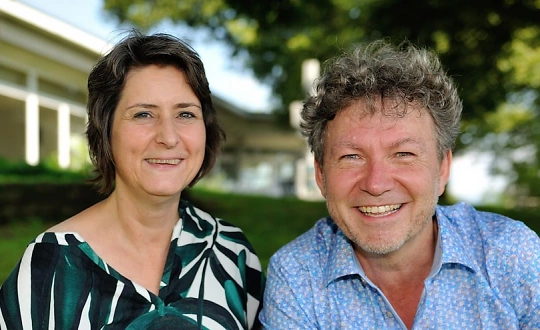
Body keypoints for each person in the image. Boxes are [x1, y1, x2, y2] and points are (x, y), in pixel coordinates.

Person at [259, 39, 540, 329]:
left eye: (403, 154)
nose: (376, 184)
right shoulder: (296, 276)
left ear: (443, 168)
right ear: (321, 176)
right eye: (351, 156)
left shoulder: (513, 254)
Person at [0, 30, 265, 329]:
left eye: (186, 114)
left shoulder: (232, 253)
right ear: (105, 130)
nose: (168, 137)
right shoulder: (49, 267)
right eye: (143, 115)